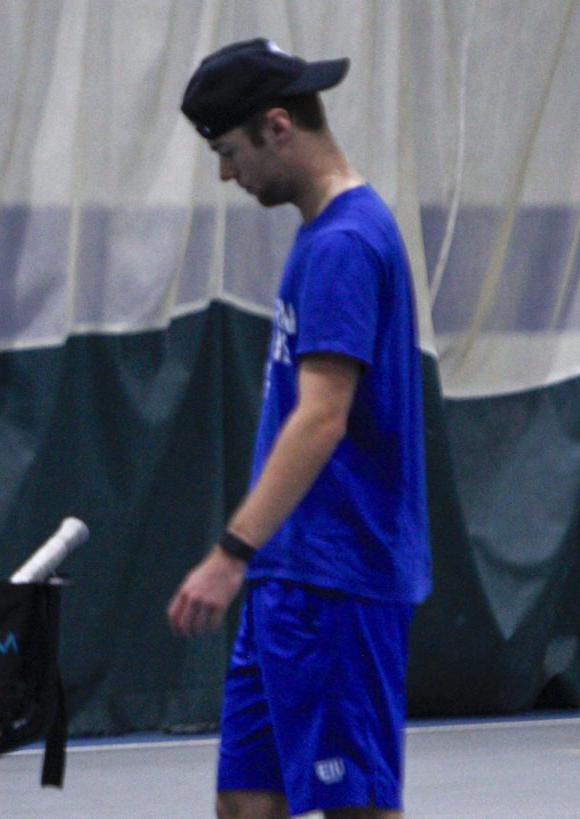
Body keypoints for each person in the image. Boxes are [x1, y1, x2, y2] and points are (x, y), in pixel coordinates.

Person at [165, 39, 431, 819]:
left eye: (227, 150)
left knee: (355, 804)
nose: (224, 173)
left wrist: (228, 554)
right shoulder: (320, 236)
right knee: (246, 802)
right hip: (289, 580)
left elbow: (322, 416)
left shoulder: (346, 244)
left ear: (277, 126)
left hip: (336, 578)